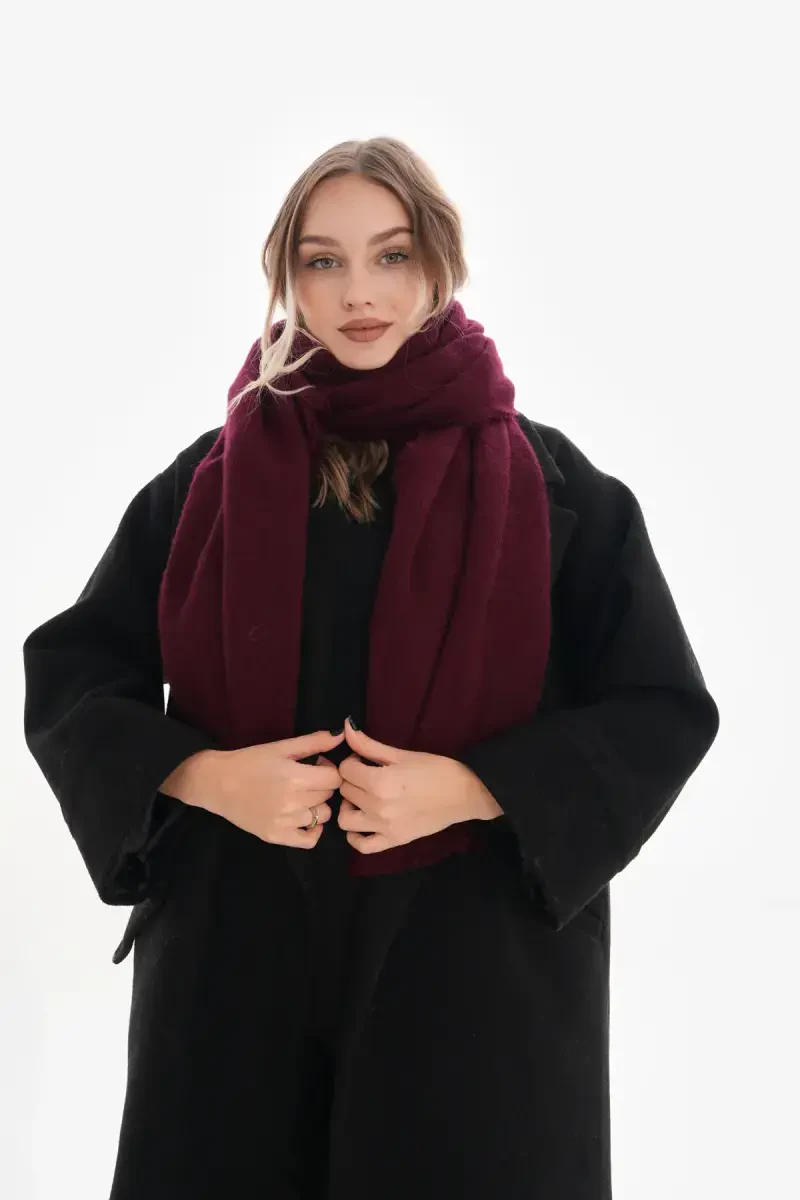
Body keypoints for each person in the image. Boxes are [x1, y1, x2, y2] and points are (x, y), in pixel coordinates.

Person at [22, 136, 720, 1200]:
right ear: (286, 276)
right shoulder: (206, 485)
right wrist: (209, 778)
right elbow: (74, 675)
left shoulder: (556, 490)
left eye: (392, 256)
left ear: (439, 263)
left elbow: (658, 707)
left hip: (473, 979)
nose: (359, 293)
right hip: (236, 973)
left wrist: (473, 787)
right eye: (323, 260)